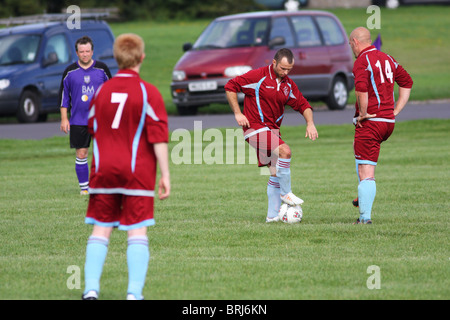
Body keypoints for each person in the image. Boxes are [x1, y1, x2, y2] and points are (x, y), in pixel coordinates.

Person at [81, 33, 170, 300]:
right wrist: (165, 175)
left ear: (116, 58)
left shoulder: (101, 91)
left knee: (101, 228)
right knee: (137, 230)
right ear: (142, 58)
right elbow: (159, 138)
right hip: (137, 173)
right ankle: (133, 294)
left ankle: (90, 290)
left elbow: (92, 128)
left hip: (104, 171)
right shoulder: (148, 92)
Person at [225, 48, 318, 223]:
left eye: (289, 69)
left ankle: (272, 216)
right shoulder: (257, 76)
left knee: (275, 172)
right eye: (282, 68)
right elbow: (230, 86)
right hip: (254, 128)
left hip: (272, 131)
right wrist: (238, 113)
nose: (285, 72)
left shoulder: (288, 84)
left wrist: (310, 123)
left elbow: (303, 105)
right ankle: (286, 192)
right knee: (285, 151)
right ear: (274, 63)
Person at [348, 27, 413, 224]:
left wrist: (364, 113)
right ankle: (362, 198)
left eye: (351, 44)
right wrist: (395, 111)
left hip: (372, 121)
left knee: (367, 172)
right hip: (387, 122)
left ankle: (365, 218)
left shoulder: (362, 61)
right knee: (361, 160)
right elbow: (407, 82)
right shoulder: (388, 58)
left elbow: (361, 89)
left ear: (355, 42)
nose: (351, 47)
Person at [59, 36, 112, 195]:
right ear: (77, 52)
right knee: (81, 153)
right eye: (81, 51)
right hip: (78, 120)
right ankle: (85, 189)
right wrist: (64, 118)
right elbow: (63, 97)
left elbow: (112, 92)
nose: (85, 54)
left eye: (87, 51)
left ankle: (104, 185)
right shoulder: (70, 72)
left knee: (105, 153)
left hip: (101, 120)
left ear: (92, 51)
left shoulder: (102, 69)